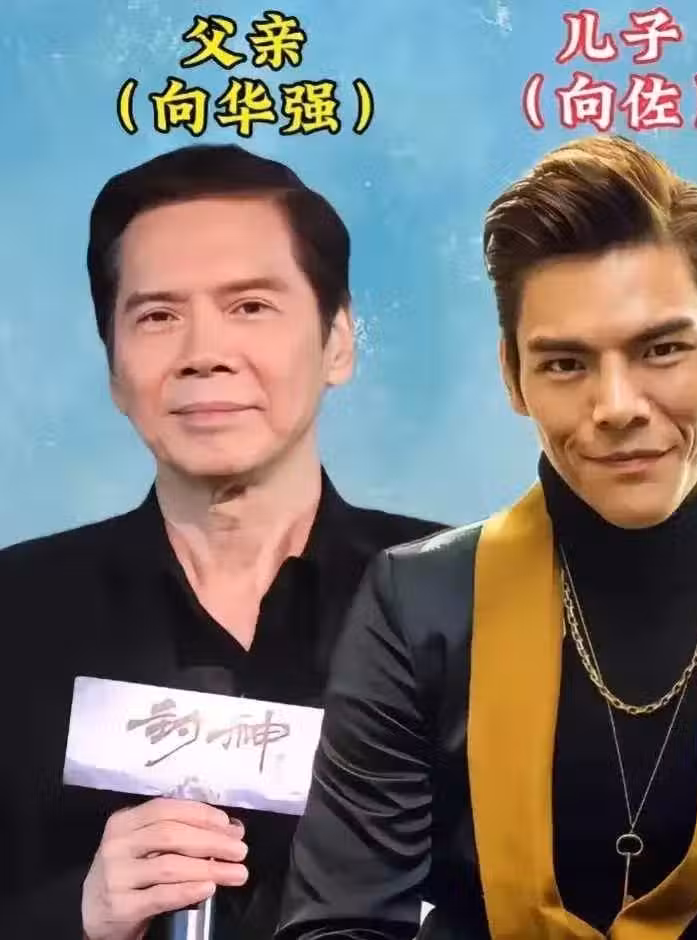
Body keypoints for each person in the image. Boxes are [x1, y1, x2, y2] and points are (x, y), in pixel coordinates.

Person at [278, 135, 697, 938]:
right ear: (512, 376)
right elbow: (339, 924)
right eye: (565, 364)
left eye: (661, 349)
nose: (616, 405)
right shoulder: (417, 606)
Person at [0, 144, 444, 940]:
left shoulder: (463, 595)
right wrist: (78, 915)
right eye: (158, 316)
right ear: (113, 366)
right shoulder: (15, 610)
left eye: (250, 307)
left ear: (338, 341)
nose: (204, 355)